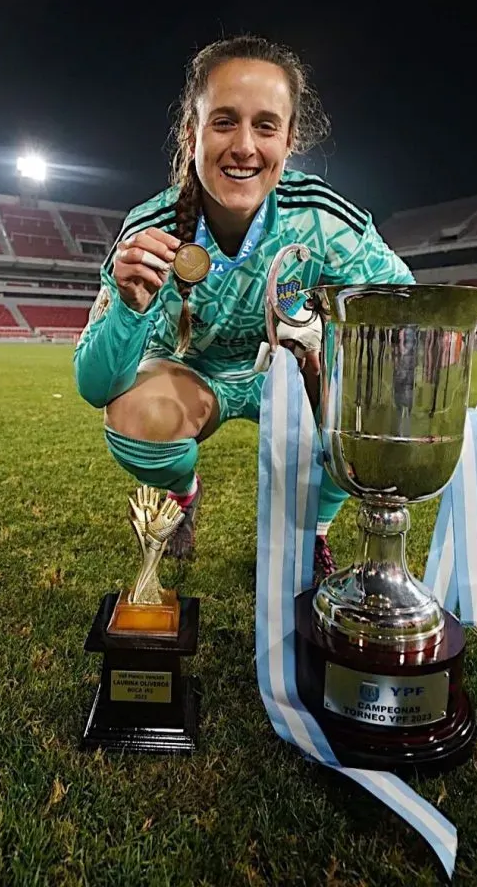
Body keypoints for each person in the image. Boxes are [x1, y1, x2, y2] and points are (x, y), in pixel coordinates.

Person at [74, 35, 413, 579]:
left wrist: (334, 356)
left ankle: (314, 530)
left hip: (286, 375)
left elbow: (403, 310)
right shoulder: (148, 230)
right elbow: (93, 386)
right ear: (192, 134)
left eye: (265, 125)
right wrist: (130, 308)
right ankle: (184, 493)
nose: (245, 147)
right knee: (133, 416)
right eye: (225, 121)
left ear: (289, 139)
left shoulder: (324, 219)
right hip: (187, 374)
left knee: (365, 398)